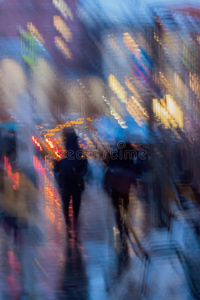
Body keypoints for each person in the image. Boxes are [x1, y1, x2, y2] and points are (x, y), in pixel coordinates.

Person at [54, 127, 88, 230]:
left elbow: (58, 169)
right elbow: (84, 169)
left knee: (66, 201)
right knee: (76, 202)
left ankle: (67, 222)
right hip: (76, 181)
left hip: (66, 181)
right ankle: (75, 220)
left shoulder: (67, 146)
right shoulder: (77, 148)